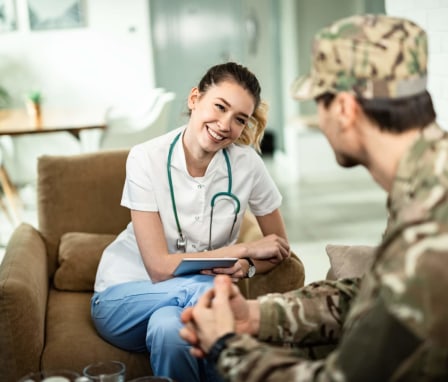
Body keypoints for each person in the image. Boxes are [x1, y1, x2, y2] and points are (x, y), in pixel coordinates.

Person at [179, 14, 448, 381]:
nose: (319, 121)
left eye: (318, 103)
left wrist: (226, 345)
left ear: (344, 109)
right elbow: (380, 296)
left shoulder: (432, 224)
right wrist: (257, 315)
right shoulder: (427, 180)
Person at [91, 62, 292, 381]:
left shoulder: (247, 165)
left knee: (169, 330)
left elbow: (278, 249)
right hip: (125, 294)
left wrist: (248, 266)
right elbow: (158, 268)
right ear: (194, 98)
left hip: (179, 307)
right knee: (209, 287)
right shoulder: (146, 158)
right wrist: (242, 250)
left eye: (239, 119)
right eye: (220, 107)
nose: (226, 125)